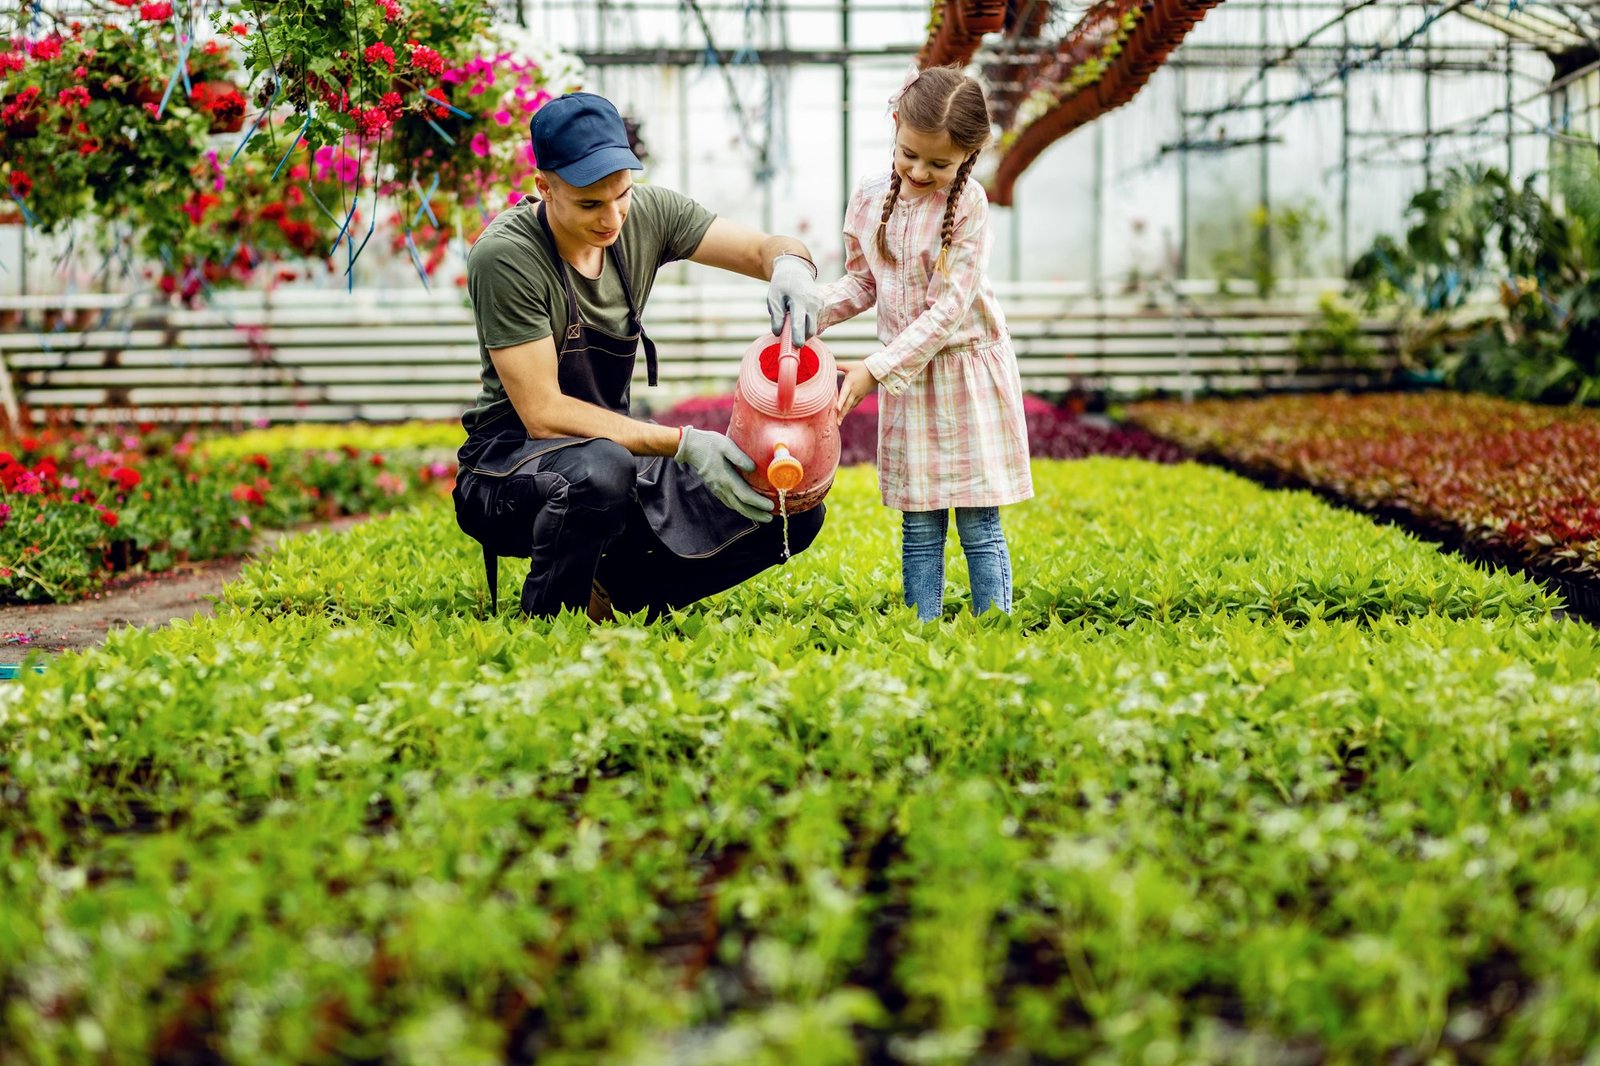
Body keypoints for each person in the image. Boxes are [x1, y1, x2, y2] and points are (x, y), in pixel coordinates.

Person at [453, 92, 826, 621]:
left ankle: (622, 592)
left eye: (621, 196)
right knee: (600, 469)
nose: (612, 219)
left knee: (789, 508)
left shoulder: (647, 214)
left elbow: (760, 247)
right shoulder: (506, 256)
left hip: (614, 452)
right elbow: (544, 414)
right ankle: (546, 627)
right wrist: (685, 443)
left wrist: (791, 264)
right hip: (508, 466)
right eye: (589, 204)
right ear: (544, 187)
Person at [819, 66, 1033, 622]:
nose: (918, 170)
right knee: (919, 521)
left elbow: (949, 309)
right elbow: (865, 282)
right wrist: (808, 315)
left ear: (969, 156)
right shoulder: (869, 198)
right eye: (908, 153)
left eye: (939, 164)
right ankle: (923, 634)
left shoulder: (968, 205)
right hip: (909, 377)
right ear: (895, 127)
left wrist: (875, 366)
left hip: (964, 371)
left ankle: (995, 630)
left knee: (978, 522)